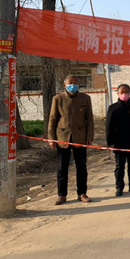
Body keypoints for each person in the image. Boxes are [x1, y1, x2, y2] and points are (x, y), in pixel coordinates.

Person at [48, 75, 94, 205]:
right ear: (65, 85)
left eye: (75, 82)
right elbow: (52, 120)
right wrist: (51, 138)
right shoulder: (58, 99)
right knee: (62, 168)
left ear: (79, 84)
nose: (72, 85)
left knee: (81, 167)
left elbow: (90, 119)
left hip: (80, 137)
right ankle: (62, 195)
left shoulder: (85, 98)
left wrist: (89, 137)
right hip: (63, 138)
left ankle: (82, 193)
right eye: (70, 83)